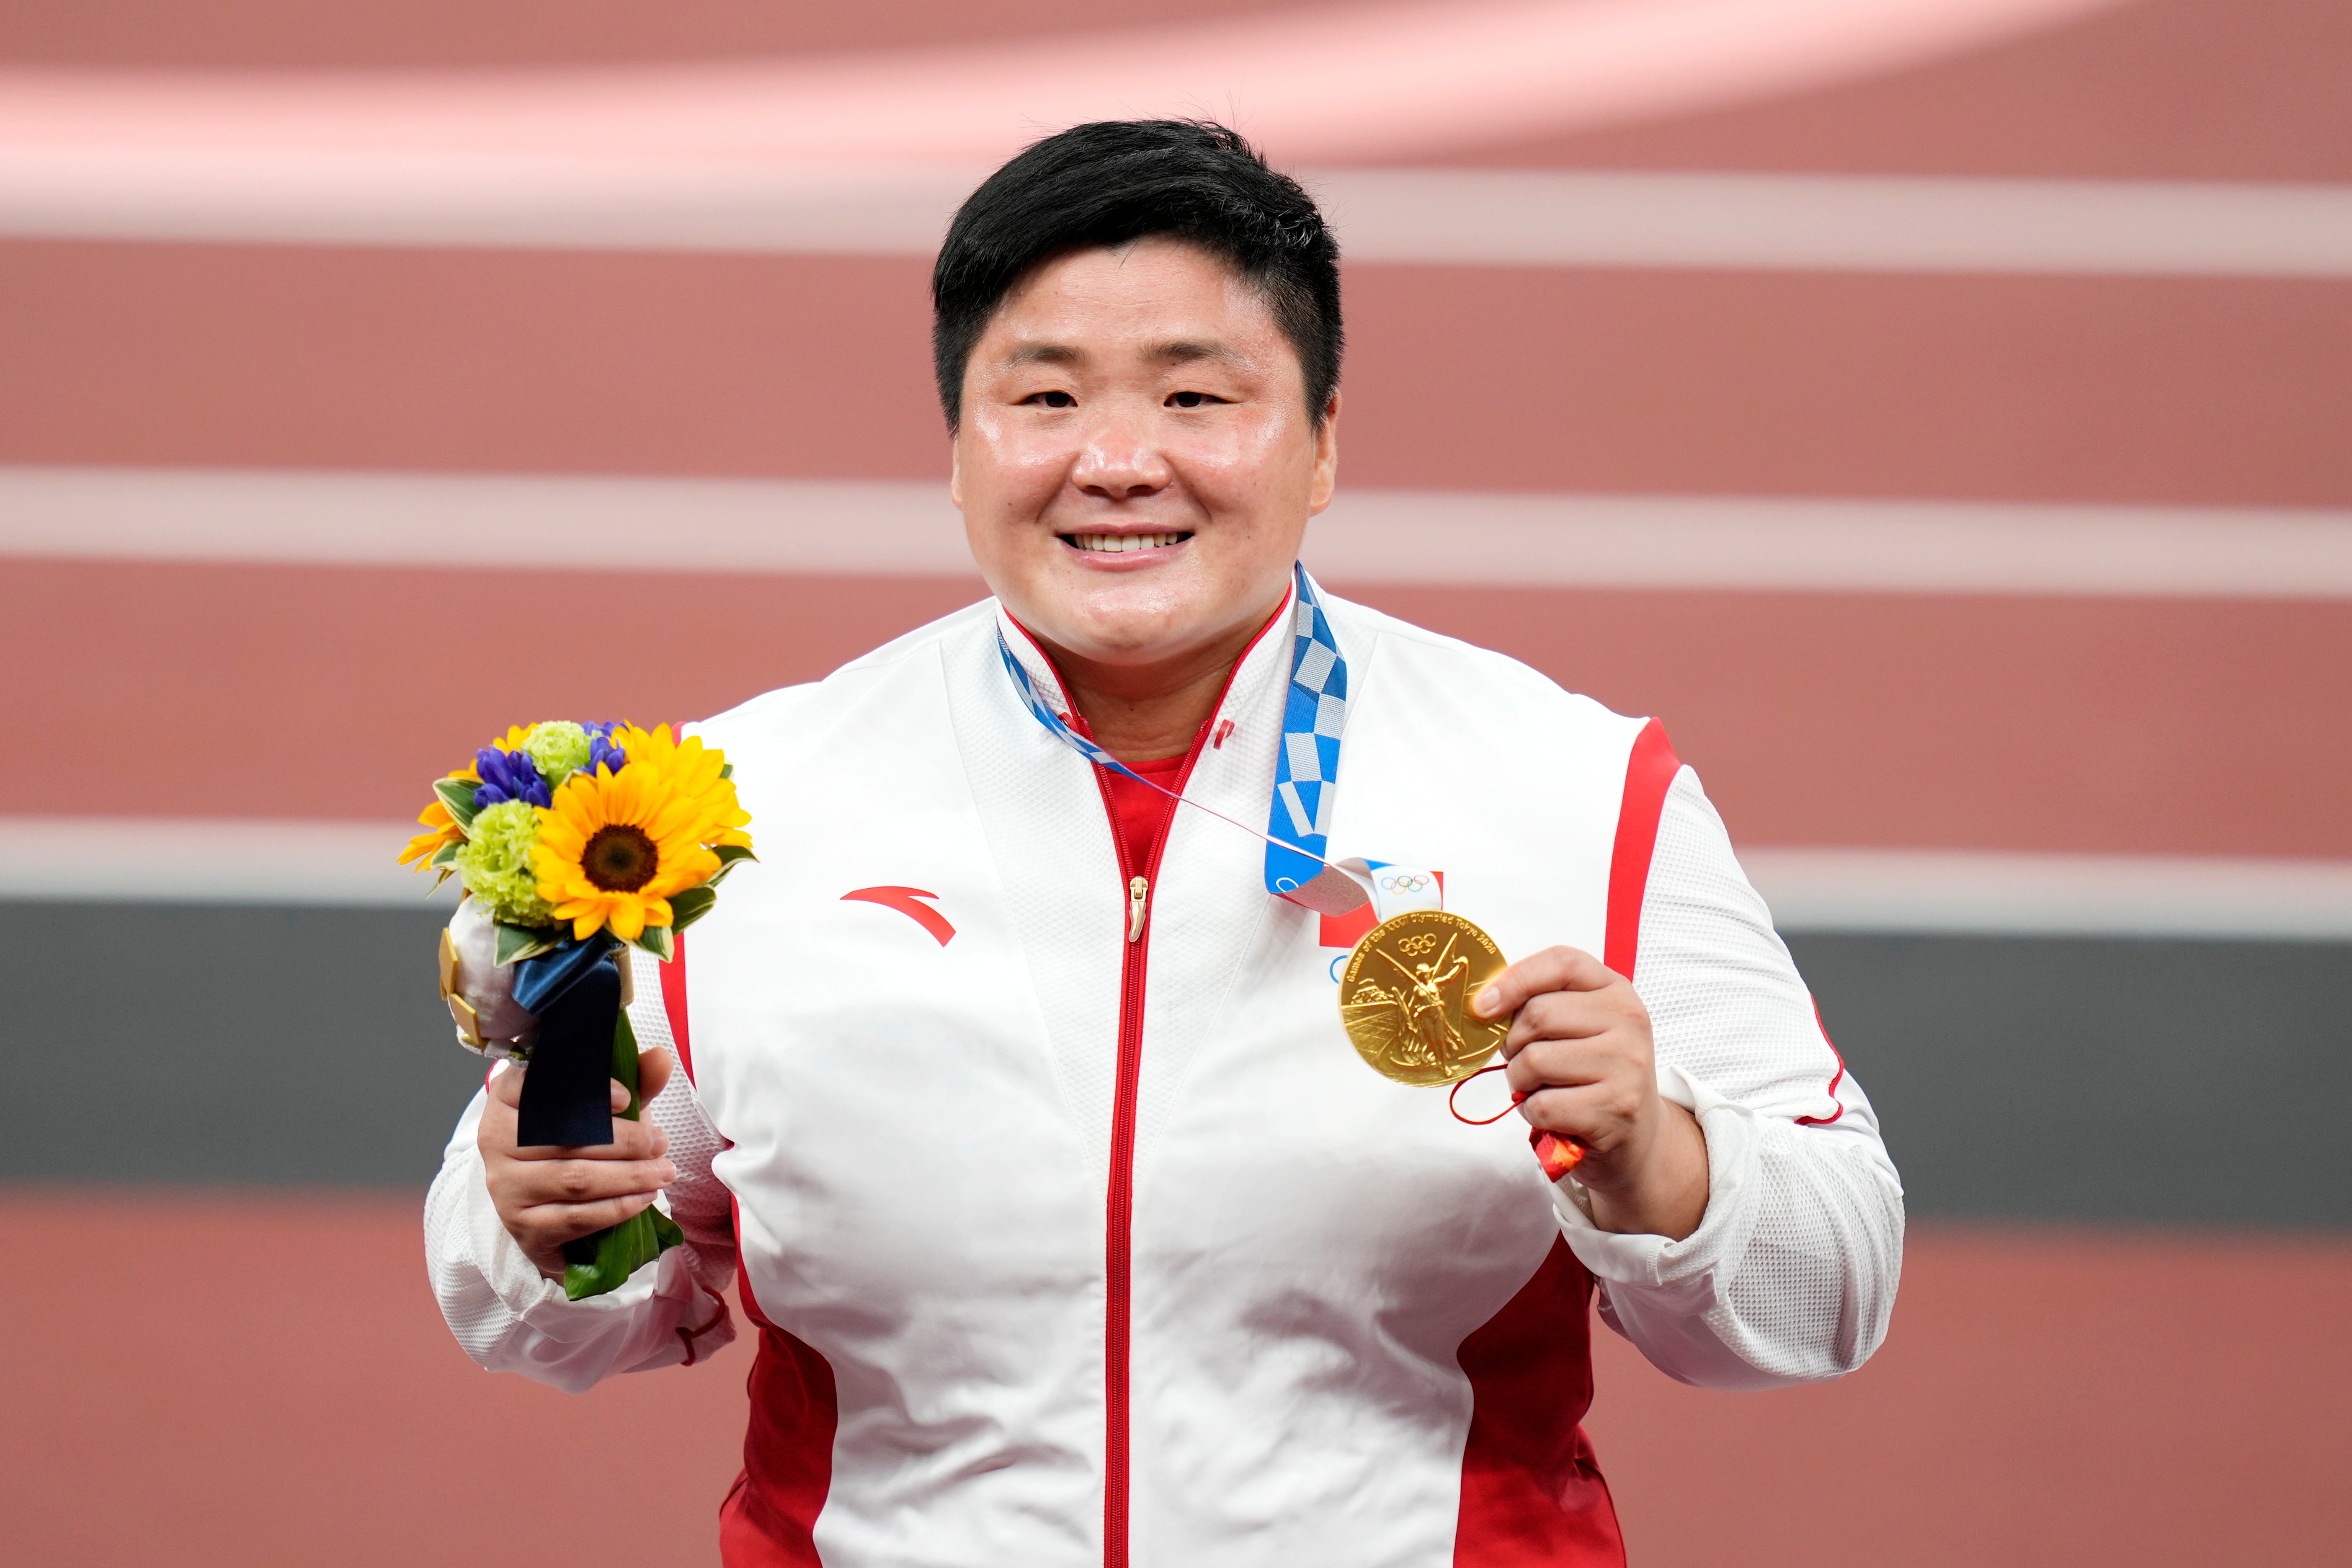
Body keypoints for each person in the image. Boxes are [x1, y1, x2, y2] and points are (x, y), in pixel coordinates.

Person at [426, 119, 1902, 1566]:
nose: (1119, 461)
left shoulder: (1576, 789)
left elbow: (1830, 1291)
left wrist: (1667, 1167)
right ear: (957, 450)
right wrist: (540, 1220)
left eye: (1199, 399)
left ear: (1323, 445)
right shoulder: (730, 808)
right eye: (1046, 400)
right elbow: (578, 1307)